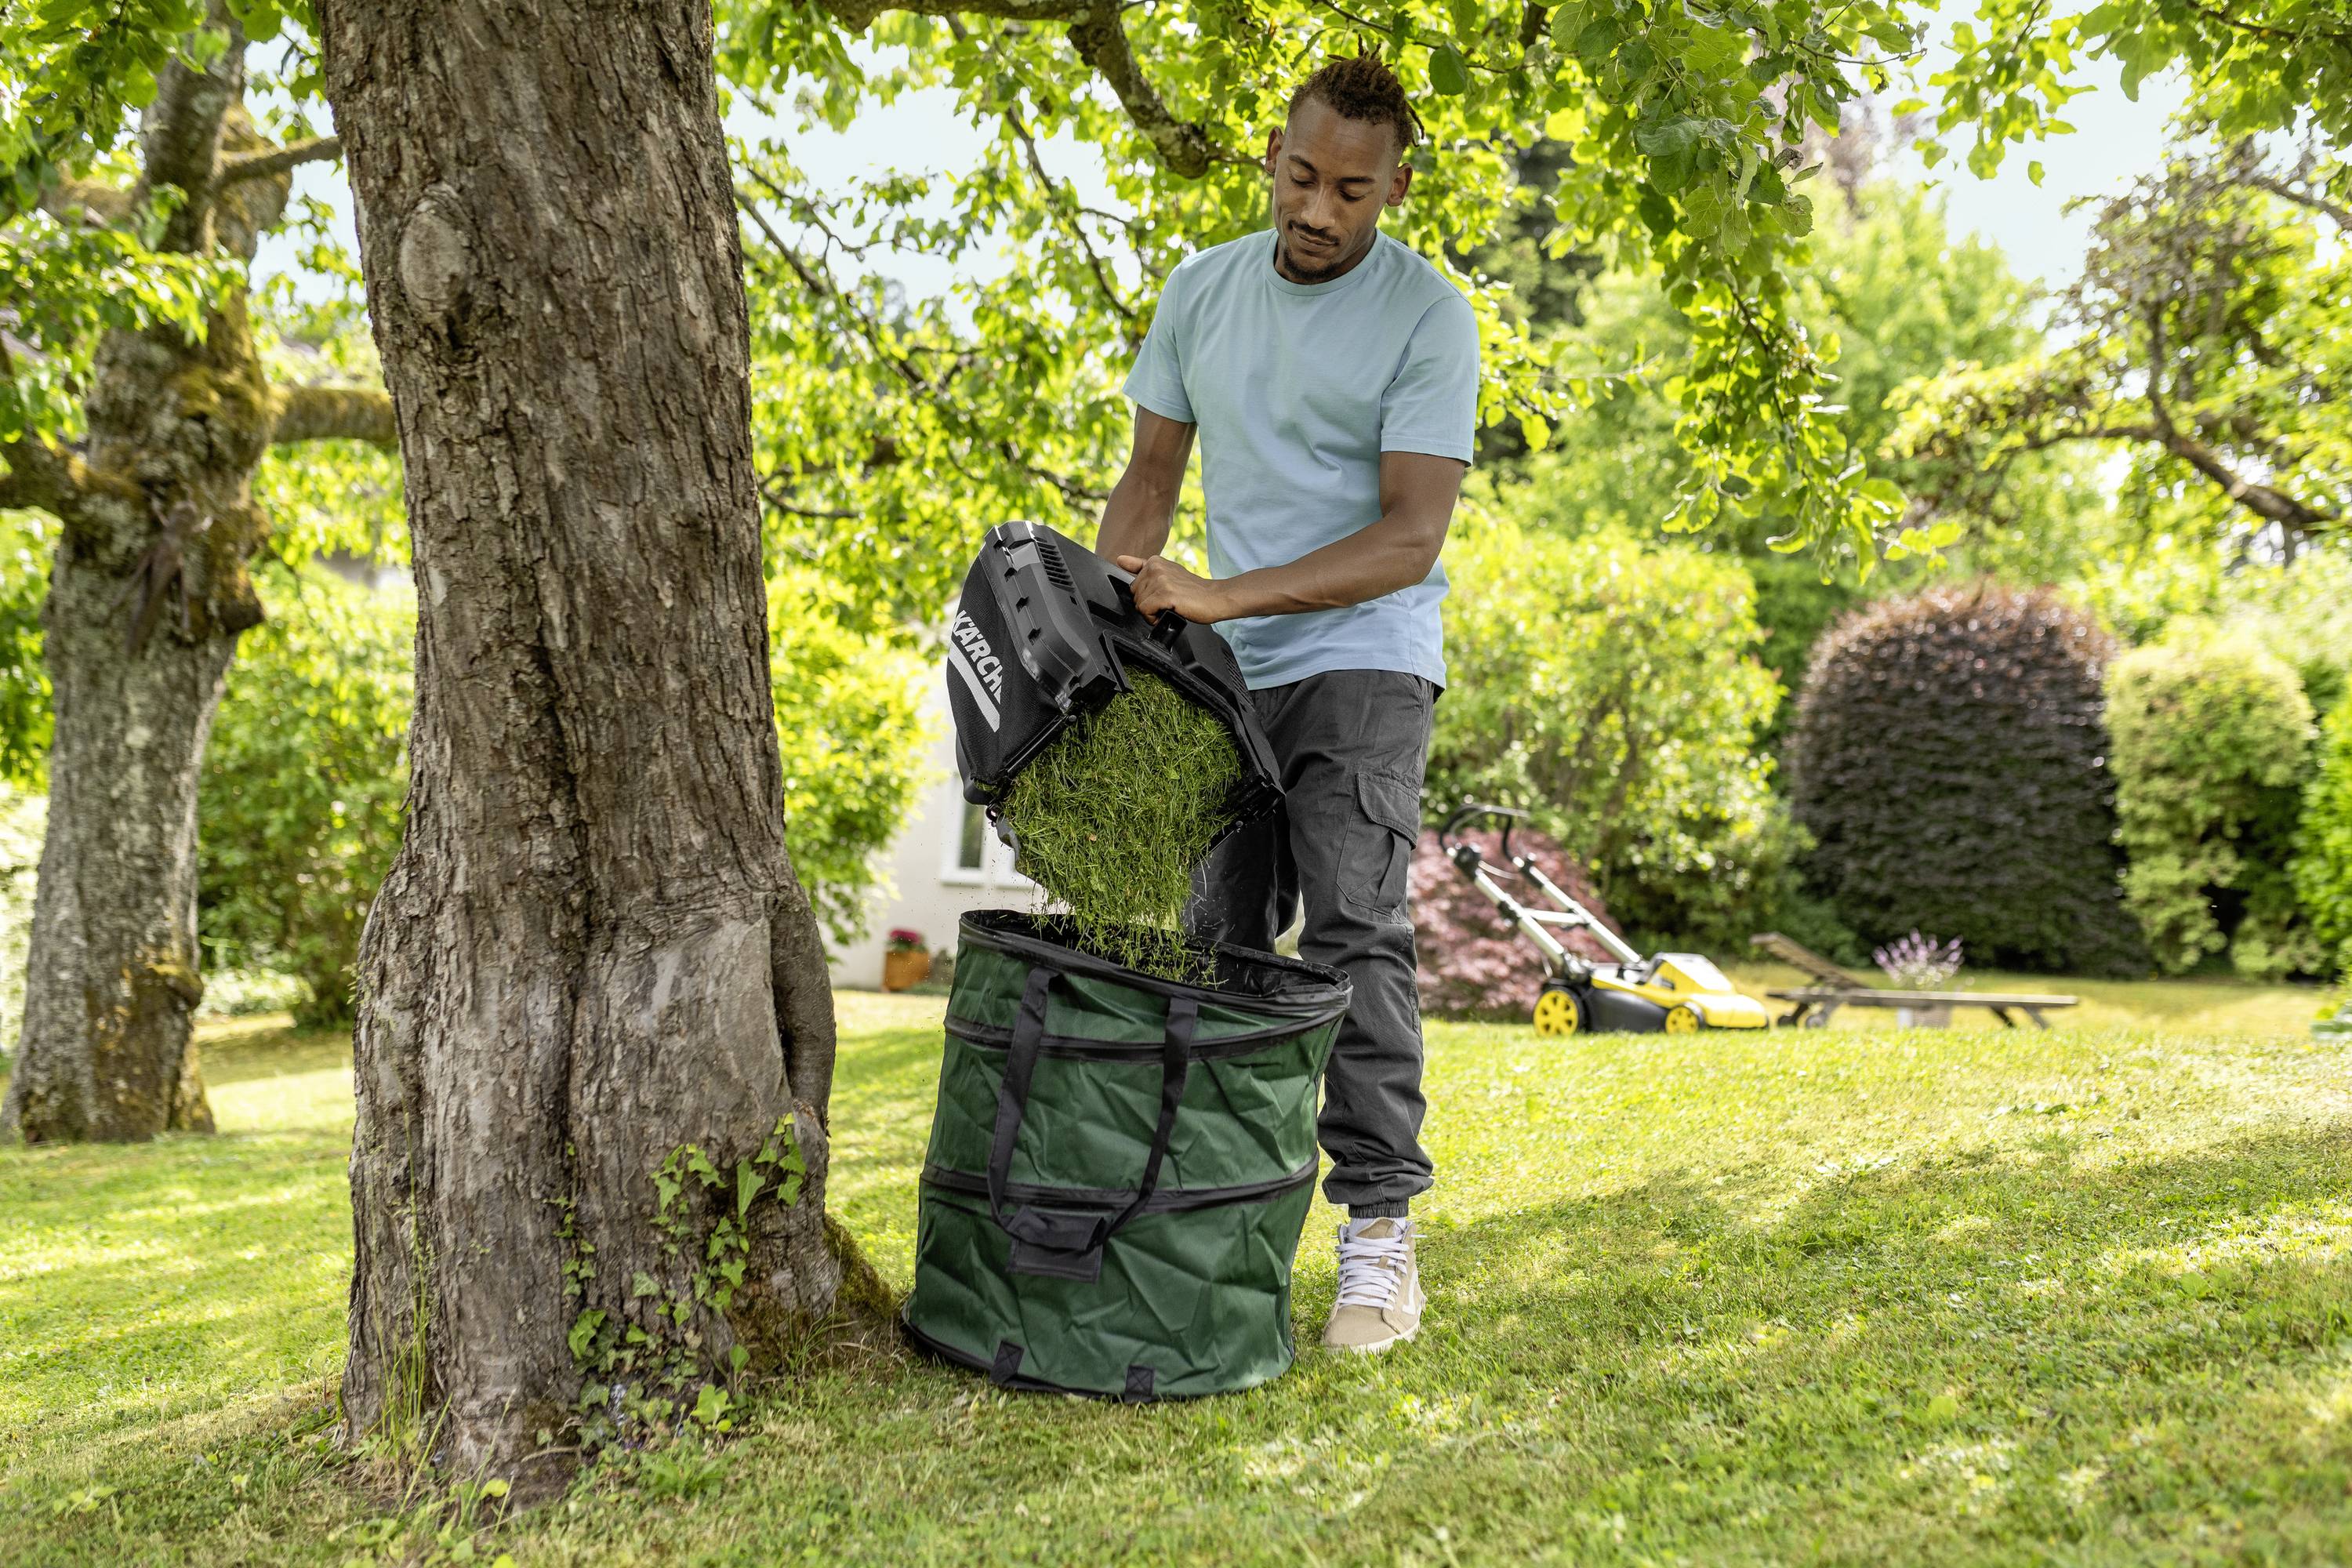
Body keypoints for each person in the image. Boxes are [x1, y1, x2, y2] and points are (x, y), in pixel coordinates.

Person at [1092, 53, 1477, 1355]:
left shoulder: (1430, 316)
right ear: (1274, 153)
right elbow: (1150, 481)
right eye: (1303, 178)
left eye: (1353, 193)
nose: (1320, 212)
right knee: (1220, 947)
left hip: (1365, 656)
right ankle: (1209, 1221)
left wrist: (1219, 597)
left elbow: (1408, 541)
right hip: (1225, 668)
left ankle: (1379, 1232)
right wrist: (1107, 640)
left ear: (1396, 189)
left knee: (1355, 930)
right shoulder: (1200, 291)